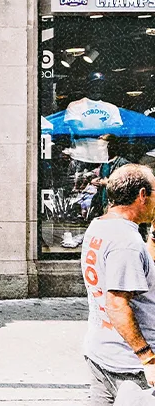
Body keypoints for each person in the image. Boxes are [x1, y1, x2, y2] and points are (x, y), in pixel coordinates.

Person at [81, 162, 155, 403]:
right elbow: (117, 304)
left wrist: (153, 235)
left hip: (101, 353)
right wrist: (148, 358)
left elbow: (138, 268)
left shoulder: (100, 227)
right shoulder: (126, 242)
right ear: (142, 195)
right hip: (130, 366)